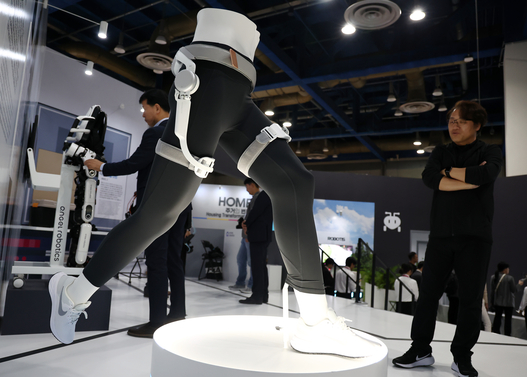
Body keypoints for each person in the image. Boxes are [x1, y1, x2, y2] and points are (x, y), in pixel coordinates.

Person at [48, 8, 377, 358]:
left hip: (240, 89)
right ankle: (72, 293)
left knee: (295, 183)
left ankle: (314, 324)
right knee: (160, 214)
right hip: (206, 79)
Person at [392, 100, 503, 377]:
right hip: (440, 236)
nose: (454, 125)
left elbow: (486, 174)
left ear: (477, 125)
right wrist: (465, 178)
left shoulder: (490, 150)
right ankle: (420, 350)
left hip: (475, 238)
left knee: (470, 299)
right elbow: (429, 178)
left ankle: (462, 356)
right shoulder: (441, 151)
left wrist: (449, 173)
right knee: (428, 295)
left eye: (461, 121)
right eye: (452, 120)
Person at [83, 89, 192, 337]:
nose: (142, 113)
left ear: (157, 107)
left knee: (156, 261)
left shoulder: (156, 133)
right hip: (180, 206)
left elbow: (135, 164)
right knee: (174, 261)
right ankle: (177, 315)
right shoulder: (183, 137)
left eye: (144, 108)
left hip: (156, 207)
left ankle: (156, 323)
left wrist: (103, 167)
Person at [239, 178, 272, 304]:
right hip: (263, 235)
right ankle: (263, 295)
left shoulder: (263, 196)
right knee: (261, 267)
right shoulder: (268, 195)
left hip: (258, 236)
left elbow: (255, 213)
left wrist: (246, 223)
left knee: (257, 267)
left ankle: (257, 296)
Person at [490, 262, 517, 336]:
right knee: (508, 320)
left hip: (497, 302)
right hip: (508, 303)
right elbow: (514, 290)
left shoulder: (493, 277)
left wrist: (491, 301)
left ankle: (495, 331)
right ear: (505, 269)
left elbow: (492, 291)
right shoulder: (510, 278)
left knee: (497, 318)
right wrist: (519, 285)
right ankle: (507, 334)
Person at [228, 219, 253, 292]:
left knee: (251, 262)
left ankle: (251, 285)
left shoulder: (255, 208)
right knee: (240, 259)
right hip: (244, 237)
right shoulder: (249, 208)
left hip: (250, 237)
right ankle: (240, 282)